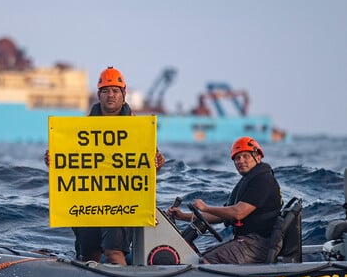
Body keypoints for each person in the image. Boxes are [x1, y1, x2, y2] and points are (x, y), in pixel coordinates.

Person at [45, 66, 165, 265]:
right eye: (106, 91)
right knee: (89, 255)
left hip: (122, 203)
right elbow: (69, 164)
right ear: (98, 94)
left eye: (116, 91)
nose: (111, 95)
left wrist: (158, 163)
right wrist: (53, 161)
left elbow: (149, 167)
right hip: (88, 203)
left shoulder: (139, 129)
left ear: (124, 94)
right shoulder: (82, 128)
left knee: (113, 252)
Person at [167, 136, 282, 264]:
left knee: (205, 262)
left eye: (246, 156)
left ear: (258, 157)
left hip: (259, 244)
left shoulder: (263, 181)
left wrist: (206, 207)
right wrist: (183, 216)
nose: (241, 161)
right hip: (249, 241)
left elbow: (238, 213)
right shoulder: (248, 181)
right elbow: (221, 216)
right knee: (198, 256)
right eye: (237, 158)